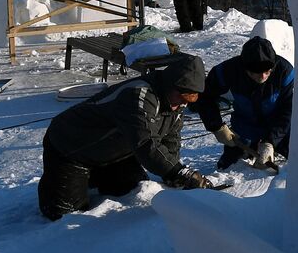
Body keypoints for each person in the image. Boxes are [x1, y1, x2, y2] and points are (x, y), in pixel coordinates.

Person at [37, 54, 212, 220]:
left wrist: (173, 176)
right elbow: (146, 143)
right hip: (71, 146)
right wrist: (179, 172)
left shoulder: (174, 104)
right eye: (182, 97)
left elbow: (170, 139)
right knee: (65, 214)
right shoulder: (138, 96)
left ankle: (95, 177)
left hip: (113, 153)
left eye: (190, 100)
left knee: (134, 189)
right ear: (171, 85)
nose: (184, 104)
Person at [194, 36, 294, 171]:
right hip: (244, 126)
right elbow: (205, 96)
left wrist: (271, 141)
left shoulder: (285, 71)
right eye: (256, 73)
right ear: (245, 68)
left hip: (277, 125)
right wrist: (216, 126)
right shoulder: (228, 70)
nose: (263, 77)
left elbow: (288, 109)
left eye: (267, 71)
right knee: (227, 166)